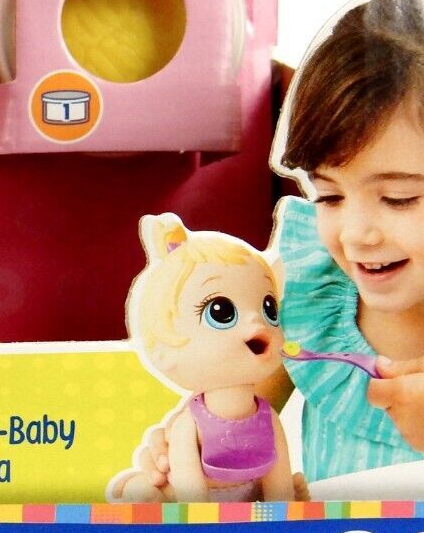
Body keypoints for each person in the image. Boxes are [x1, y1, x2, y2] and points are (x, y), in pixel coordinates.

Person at [131, 0, 424, 490]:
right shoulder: (308, 290)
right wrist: (191, 455)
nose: (355, 235)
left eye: (398, 198)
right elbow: (231, 423)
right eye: (329, 196)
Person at [109, 215, 296, 504]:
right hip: (201, 503)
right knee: (145, 492)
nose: (256, 320)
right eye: (221, 312)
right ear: (164, 349)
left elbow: (278, 478)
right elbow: (190, 490)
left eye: (269, 308)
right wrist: (202, 520)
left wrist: (284, 510)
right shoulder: (191, 422)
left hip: (248, 496)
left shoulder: (266, 417)